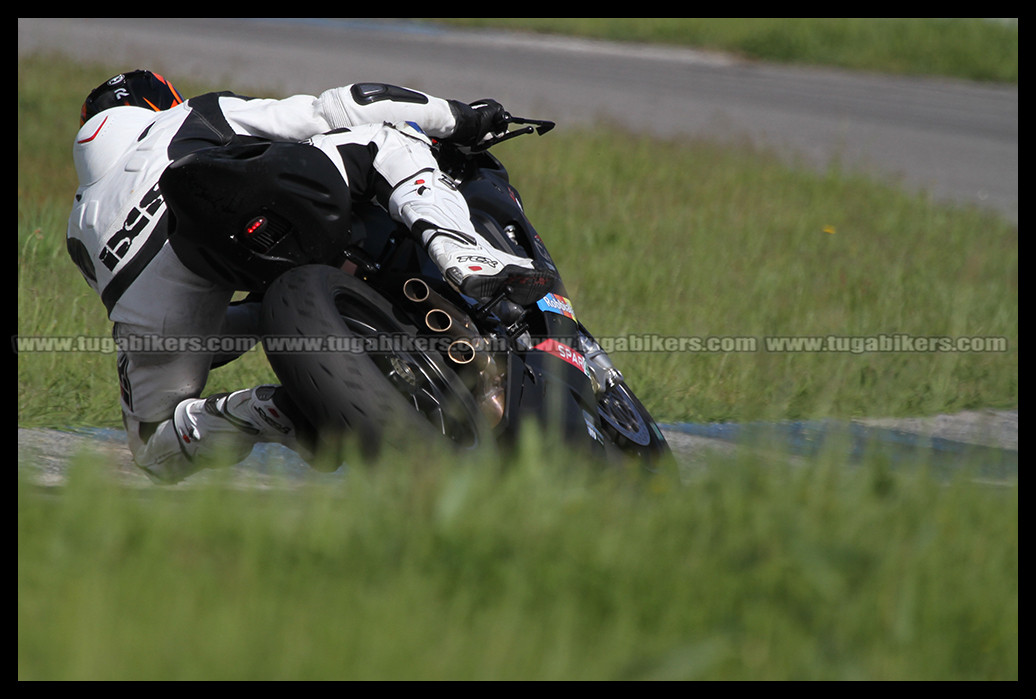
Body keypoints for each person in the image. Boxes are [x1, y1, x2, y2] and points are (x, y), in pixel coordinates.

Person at [67, 69, 557, 484]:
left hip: (152, 288)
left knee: (153, 450)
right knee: (388, 139)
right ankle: (464, 255)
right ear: (156, 102)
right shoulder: (185, 116)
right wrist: (463, 119)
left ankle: (254, 412)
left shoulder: (79, 226)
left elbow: (186, 324)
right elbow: (337, 109)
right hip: (223, 200)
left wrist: (258, 321)